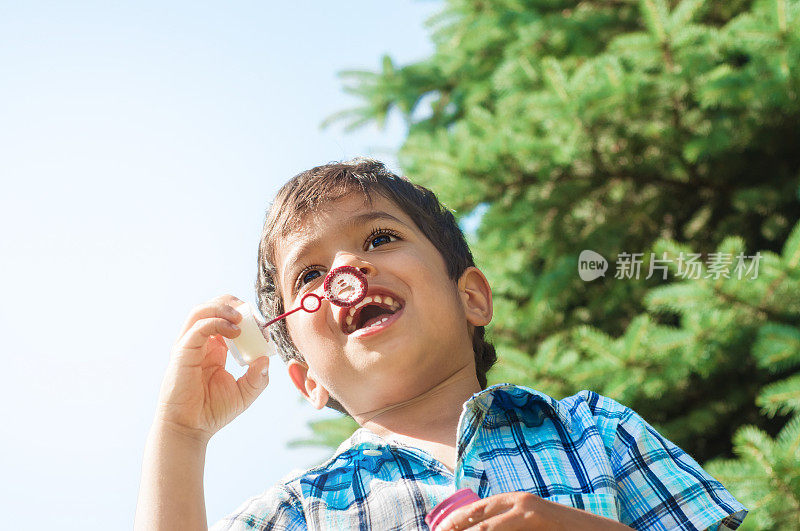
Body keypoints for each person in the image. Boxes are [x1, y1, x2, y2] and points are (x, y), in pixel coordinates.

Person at [135, 158, 748, 530]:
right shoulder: (301, 511)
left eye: (378, 239)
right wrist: (181, 434)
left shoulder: (596, 432)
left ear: (472, 299)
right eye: (311, 275)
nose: (348, 272)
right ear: (308, 382)